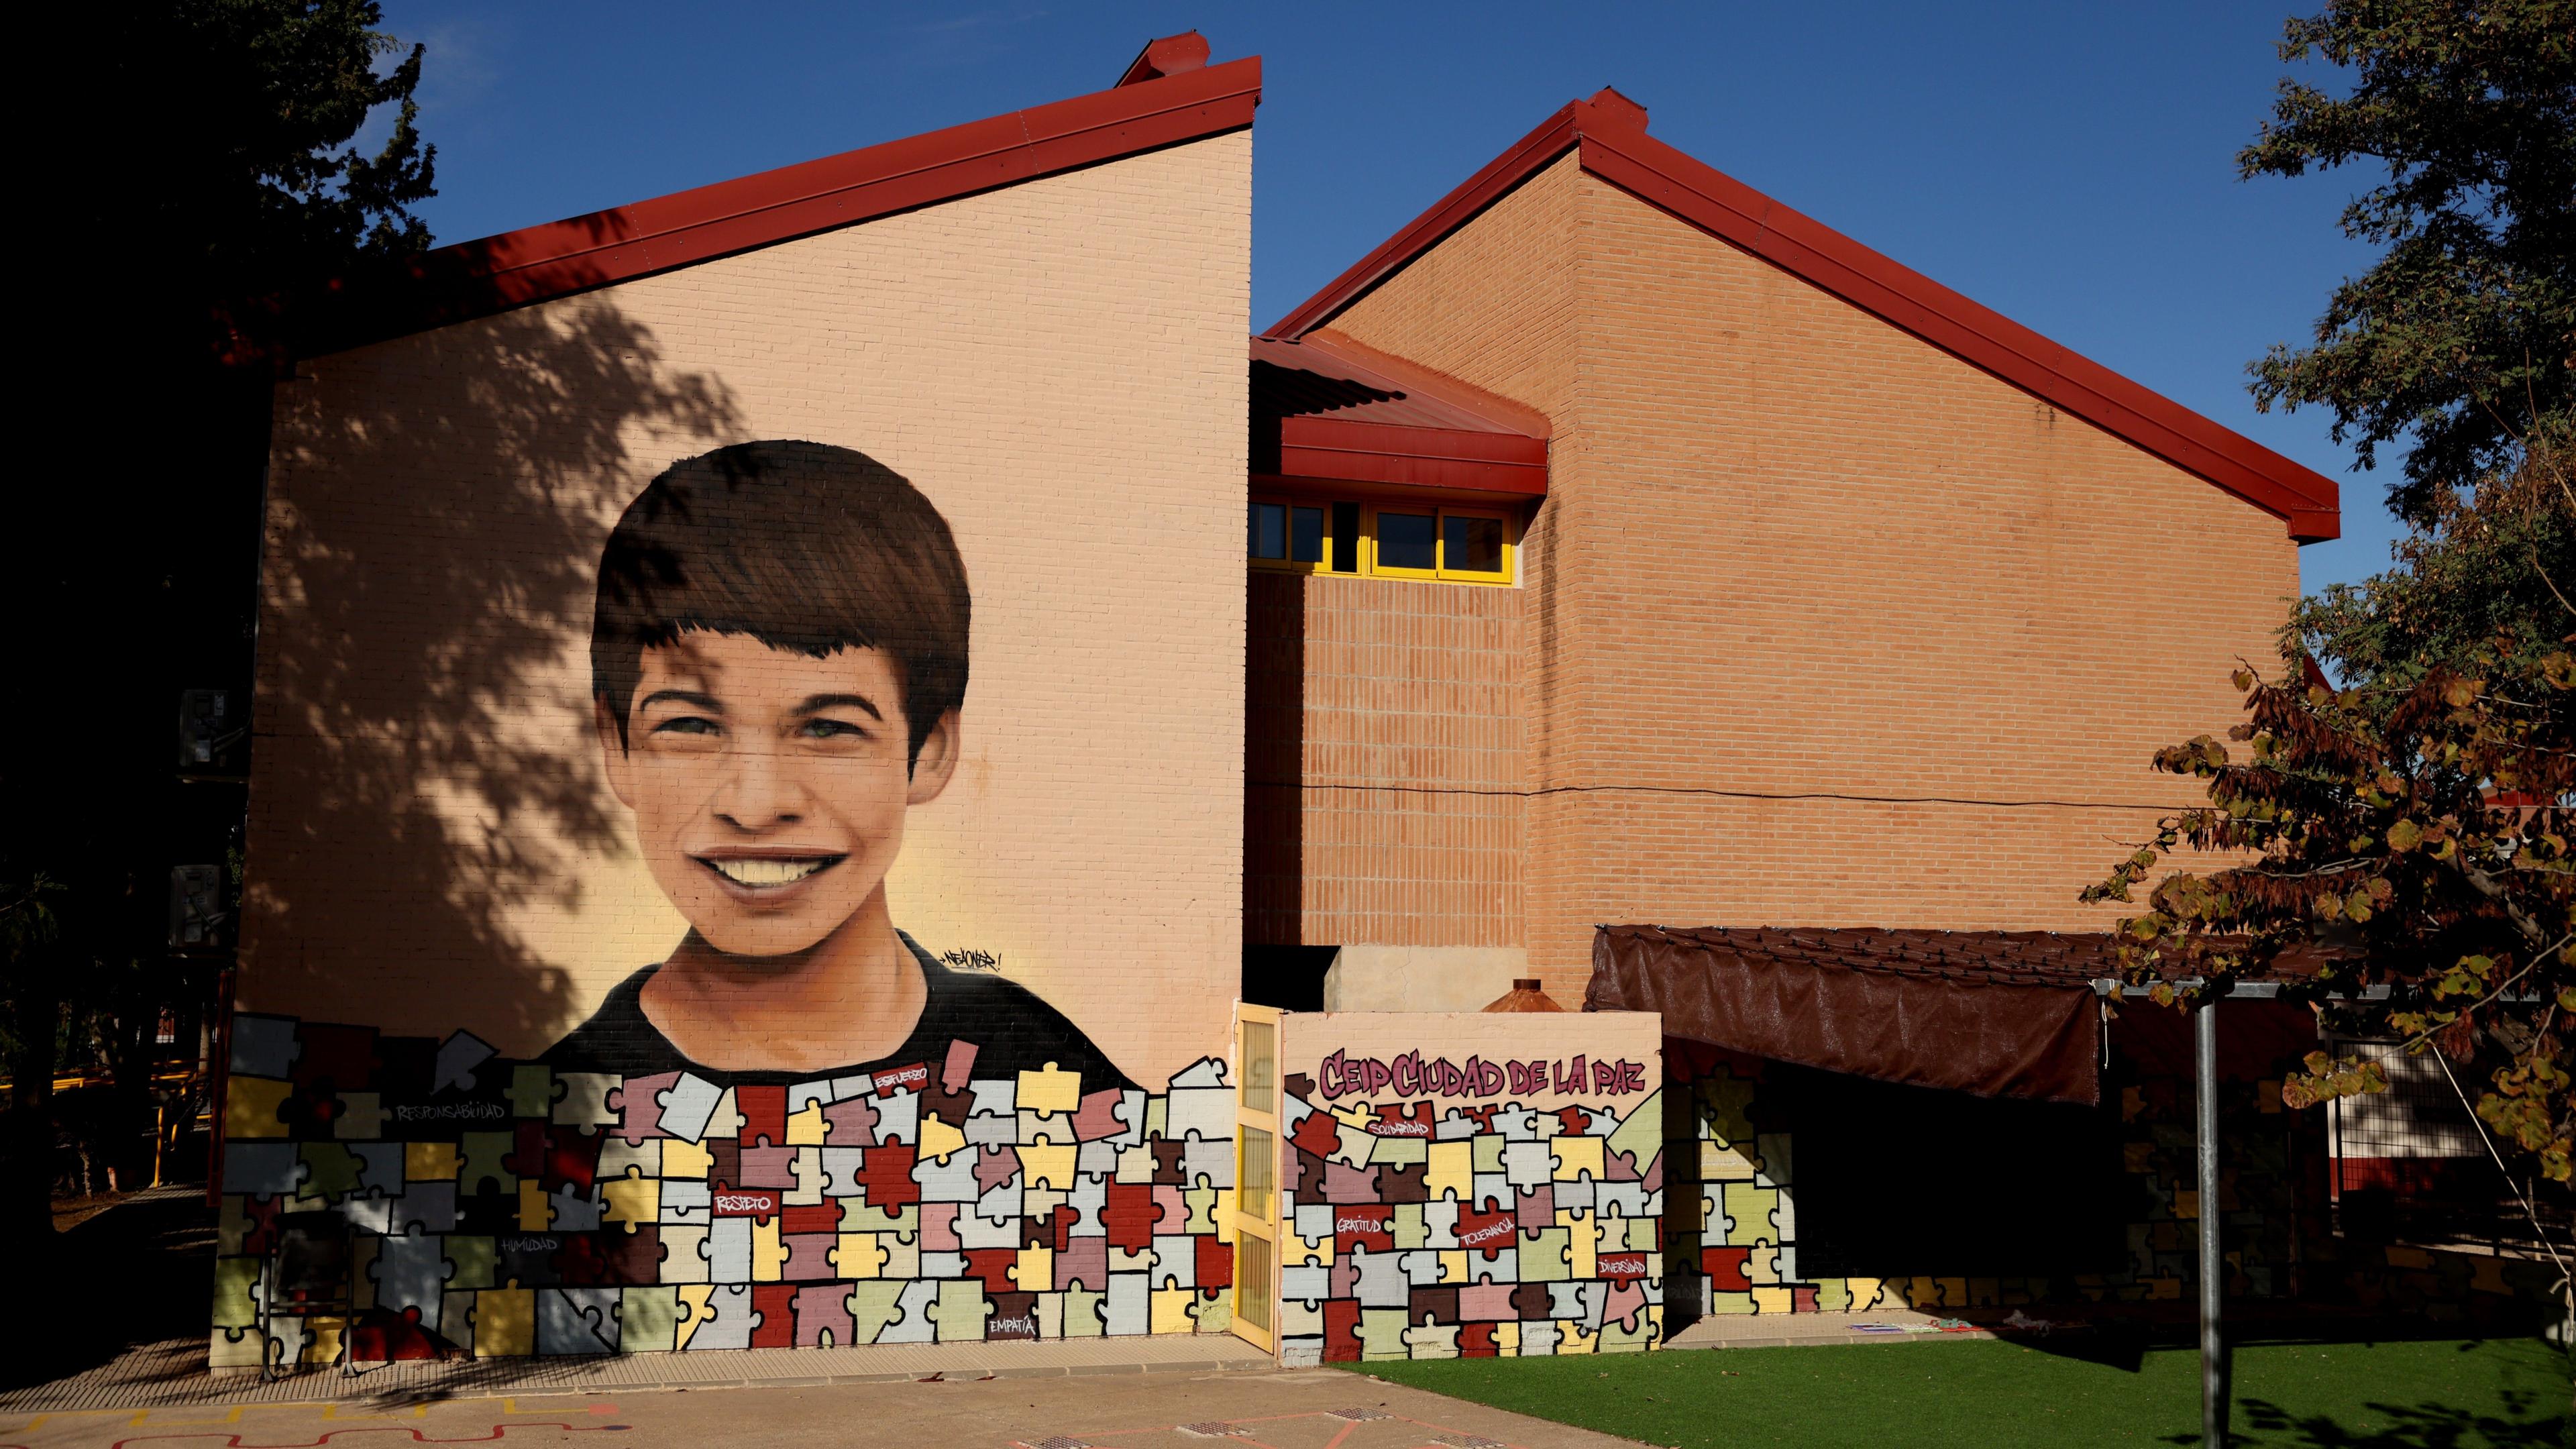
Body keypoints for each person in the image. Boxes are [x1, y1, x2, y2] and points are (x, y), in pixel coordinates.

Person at [542, 440, 1130, 1091]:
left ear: (929, 751)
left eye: (827, 728)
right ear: (616, 744)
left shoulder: (1050, 1074)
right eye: (691, 725)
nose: (757, 803)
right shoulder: (545, 1102)